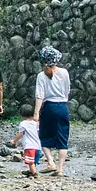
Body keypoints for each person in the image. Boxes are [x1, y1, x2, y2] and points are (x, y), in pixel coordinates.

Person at [34, 46, 71, 176]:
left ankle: (51, 162)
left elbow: (40, 96)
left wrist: (36, 113)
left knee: (44, 136)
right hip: (62, 107)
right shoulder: (64, 72)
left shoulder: (41, 75)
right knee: (62, 138)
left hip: (49, 107)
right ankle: (60, 169)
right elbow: (67, 90)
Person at [7, 105, 41, 178]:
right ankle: (30, 171)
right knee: (34, 160)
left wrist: (14, 141)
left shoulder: (23, 123)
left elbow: (21, 133)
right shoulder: (35, 123)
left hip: (29, 146)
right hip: (38, 146)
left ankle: (34, 173)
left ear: (22, 115)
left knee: (30, 161)